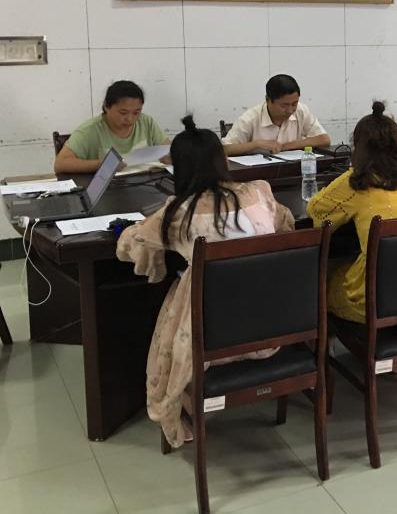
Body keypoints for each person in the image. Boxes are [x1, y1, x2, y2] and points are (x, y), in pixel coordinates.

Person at [116, 116, 295, 447]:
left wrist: (127, 231)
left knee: (174, 298)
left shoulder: (178, 213)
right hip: (273, 327)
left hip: (209, 340)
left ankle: (185, 403)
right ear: (222, 160)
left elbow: (133, 246)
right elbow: (286, 225)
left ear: (178, 168)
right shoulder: (258, 192)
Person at [307, 101, 397, 322]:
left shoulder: (355, 182)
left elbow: (315, 212)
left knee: (320, 276)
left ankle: (322, 343)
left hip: (373, 300)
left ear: (358, 148)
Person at [55, 80, 169, 174]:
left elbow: (168, 150)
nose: (130, 119)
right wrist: (101, 164)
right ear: (106, 106)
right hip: (108, 188)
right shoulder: (89, 130)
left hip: (144, 185)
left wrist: (170, 157)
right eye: (123, 113)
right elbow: (60, 164)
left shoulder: (147, 123)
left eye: (136, 112)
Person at [223, 74, 330, 156]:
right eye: (284, 105)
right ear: (268, 100)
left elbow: (324, 139)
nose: (290, 110)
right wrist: (256, 144)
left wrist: (285, 146)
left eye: (294, 104)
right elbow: (224, 149)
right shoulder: (250, 118)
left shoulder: (301, 111)